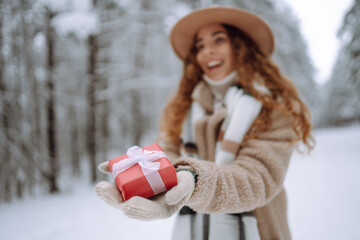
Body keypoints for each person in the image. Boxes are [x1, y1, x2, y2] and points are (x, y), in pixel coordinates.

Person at [95, 6, 313, 240]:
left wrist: (195, 180)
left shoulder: (273, 106)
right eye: (199, 46)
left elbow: (257, 178)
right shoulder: (184, 108)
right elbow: (167, 154)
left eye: (218, 40)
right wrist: (143, 175)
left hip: (259, 230)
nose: (207, 51)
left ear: (241, 47)